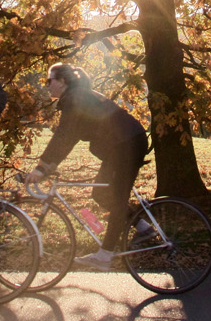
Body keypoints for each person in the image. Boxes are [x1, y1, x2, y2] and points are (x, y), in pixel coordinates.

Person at [24, 64, 149, 270]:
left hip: (126, 144)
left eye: (50, 80)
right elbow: (68, 137)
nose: (48, 85)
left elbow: (64, 136)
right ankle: (143, 228)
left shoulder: (76, 99)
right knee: (100, 195)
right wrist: (47, 166)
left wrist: (42, 168)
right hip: (123, 144)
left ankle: (105, 255)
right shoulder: (77, 97)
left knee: (117, 198)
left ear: (63, 81)